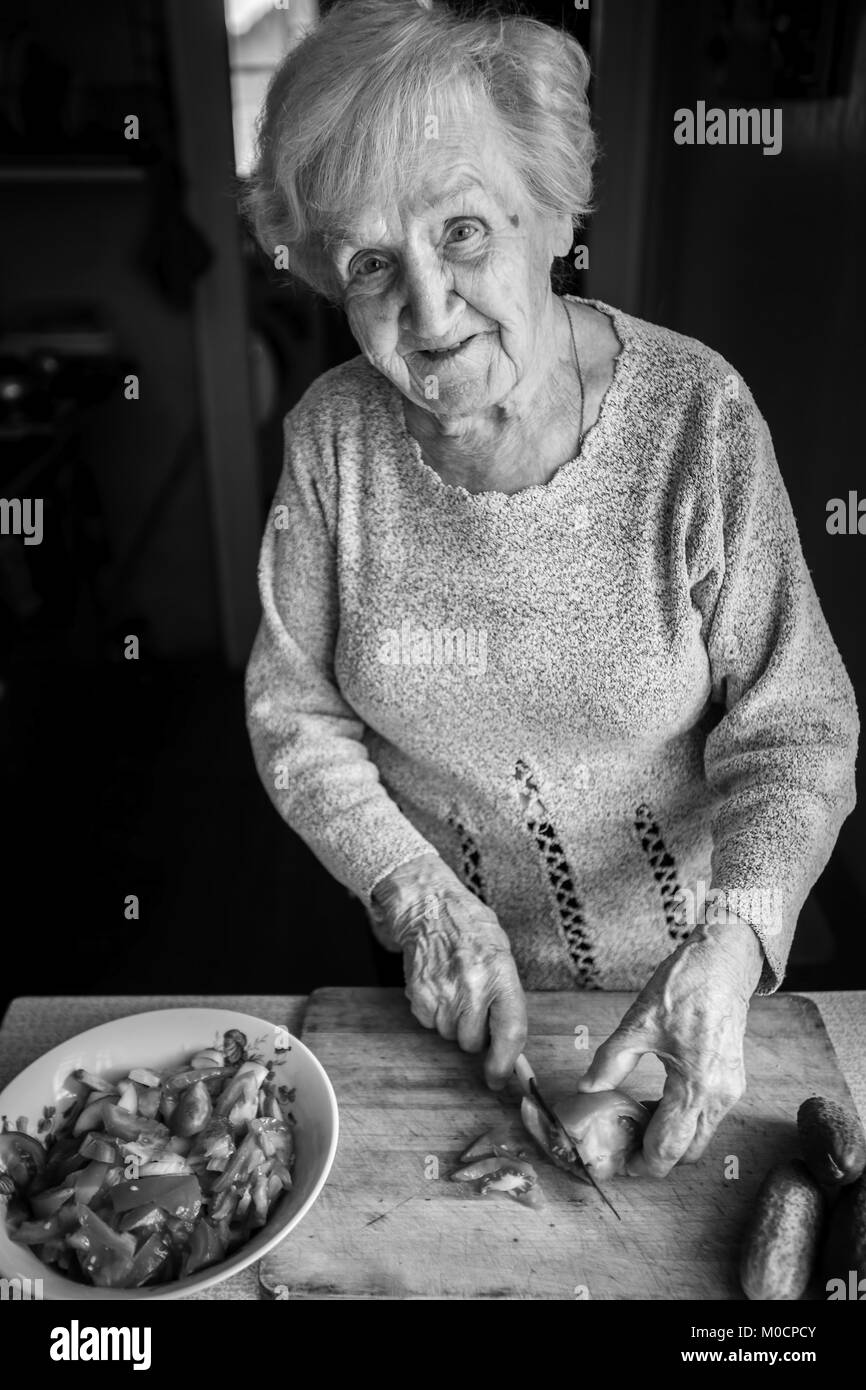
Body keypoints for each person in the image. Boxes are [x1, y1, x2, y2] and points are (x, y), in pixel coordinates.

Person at [243, 0, 858, 1178]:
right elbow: (296, 717)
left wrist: (731, 943)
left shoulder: (694, 419)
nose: (426, 311)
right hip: (448, 998)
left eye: (462, 232)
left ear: (548, 214)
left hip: (696, 987)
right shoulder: (332, 442)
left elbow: (795, 730)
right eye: (372, 263)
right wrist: (419, 901)